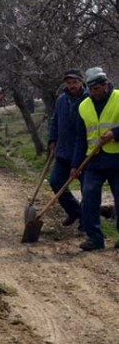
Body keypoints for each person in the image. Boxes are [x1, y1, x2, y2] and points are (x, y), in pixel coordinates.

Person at [71, 67, 119, 251]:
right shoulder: (84, 106)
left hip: (117, 159)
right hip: (94, 160)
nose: (93, 93)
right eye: (90, 89)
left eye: (96, 89)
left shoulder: (118, 98)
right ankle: (94, 238)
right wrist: (75, 165)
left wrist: (115, 133)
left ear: (106, 85)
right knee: (89, 196)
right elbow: (80, 138)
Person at [48, 69, 87, 228]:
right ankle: (74, 211)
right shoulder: (61, 100)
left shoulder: (88, 99)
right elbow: (55, 120)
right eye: (69, 83)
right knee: (55, 181)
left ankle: (86, 221)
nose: (72, 85)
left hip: (84, 153)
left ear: (81, 82)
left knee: (87, 189)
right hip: (63, 151)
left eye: (75, 82)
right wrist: (52, 139)